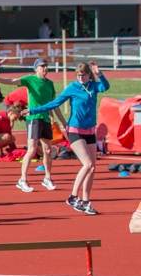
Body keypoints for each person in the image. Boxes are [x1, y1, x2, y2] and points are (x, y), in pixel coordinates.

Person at [23, 62, 109, 215]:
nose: (81, 78)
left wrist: (99, 73)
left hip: (90, 130)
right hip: (75, 130)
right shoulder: (72, 87)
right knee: (87, 164)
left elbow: (105, 86)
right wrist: (32, 110)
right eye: (78, 75)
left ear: (89, 74)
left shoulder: (93, 86)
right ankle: (73, 197)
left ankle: (85, 201)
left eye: (83, 75)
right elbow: (54, 103)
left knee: (92, 168)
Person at [0, 58, 66, 193]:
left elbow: (54, 104)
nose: (45, 68)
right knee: (32, 149)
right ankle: (23, 179)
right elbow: (13, 81)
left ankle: (47, 178)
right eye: (42, 66)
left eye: (46, 66)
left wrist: (63, 121)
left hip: (46, 119)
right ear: (36, 68)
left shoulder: (50, 84)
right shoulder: (30, 79)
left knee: (47, 150)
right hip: (34, 118)